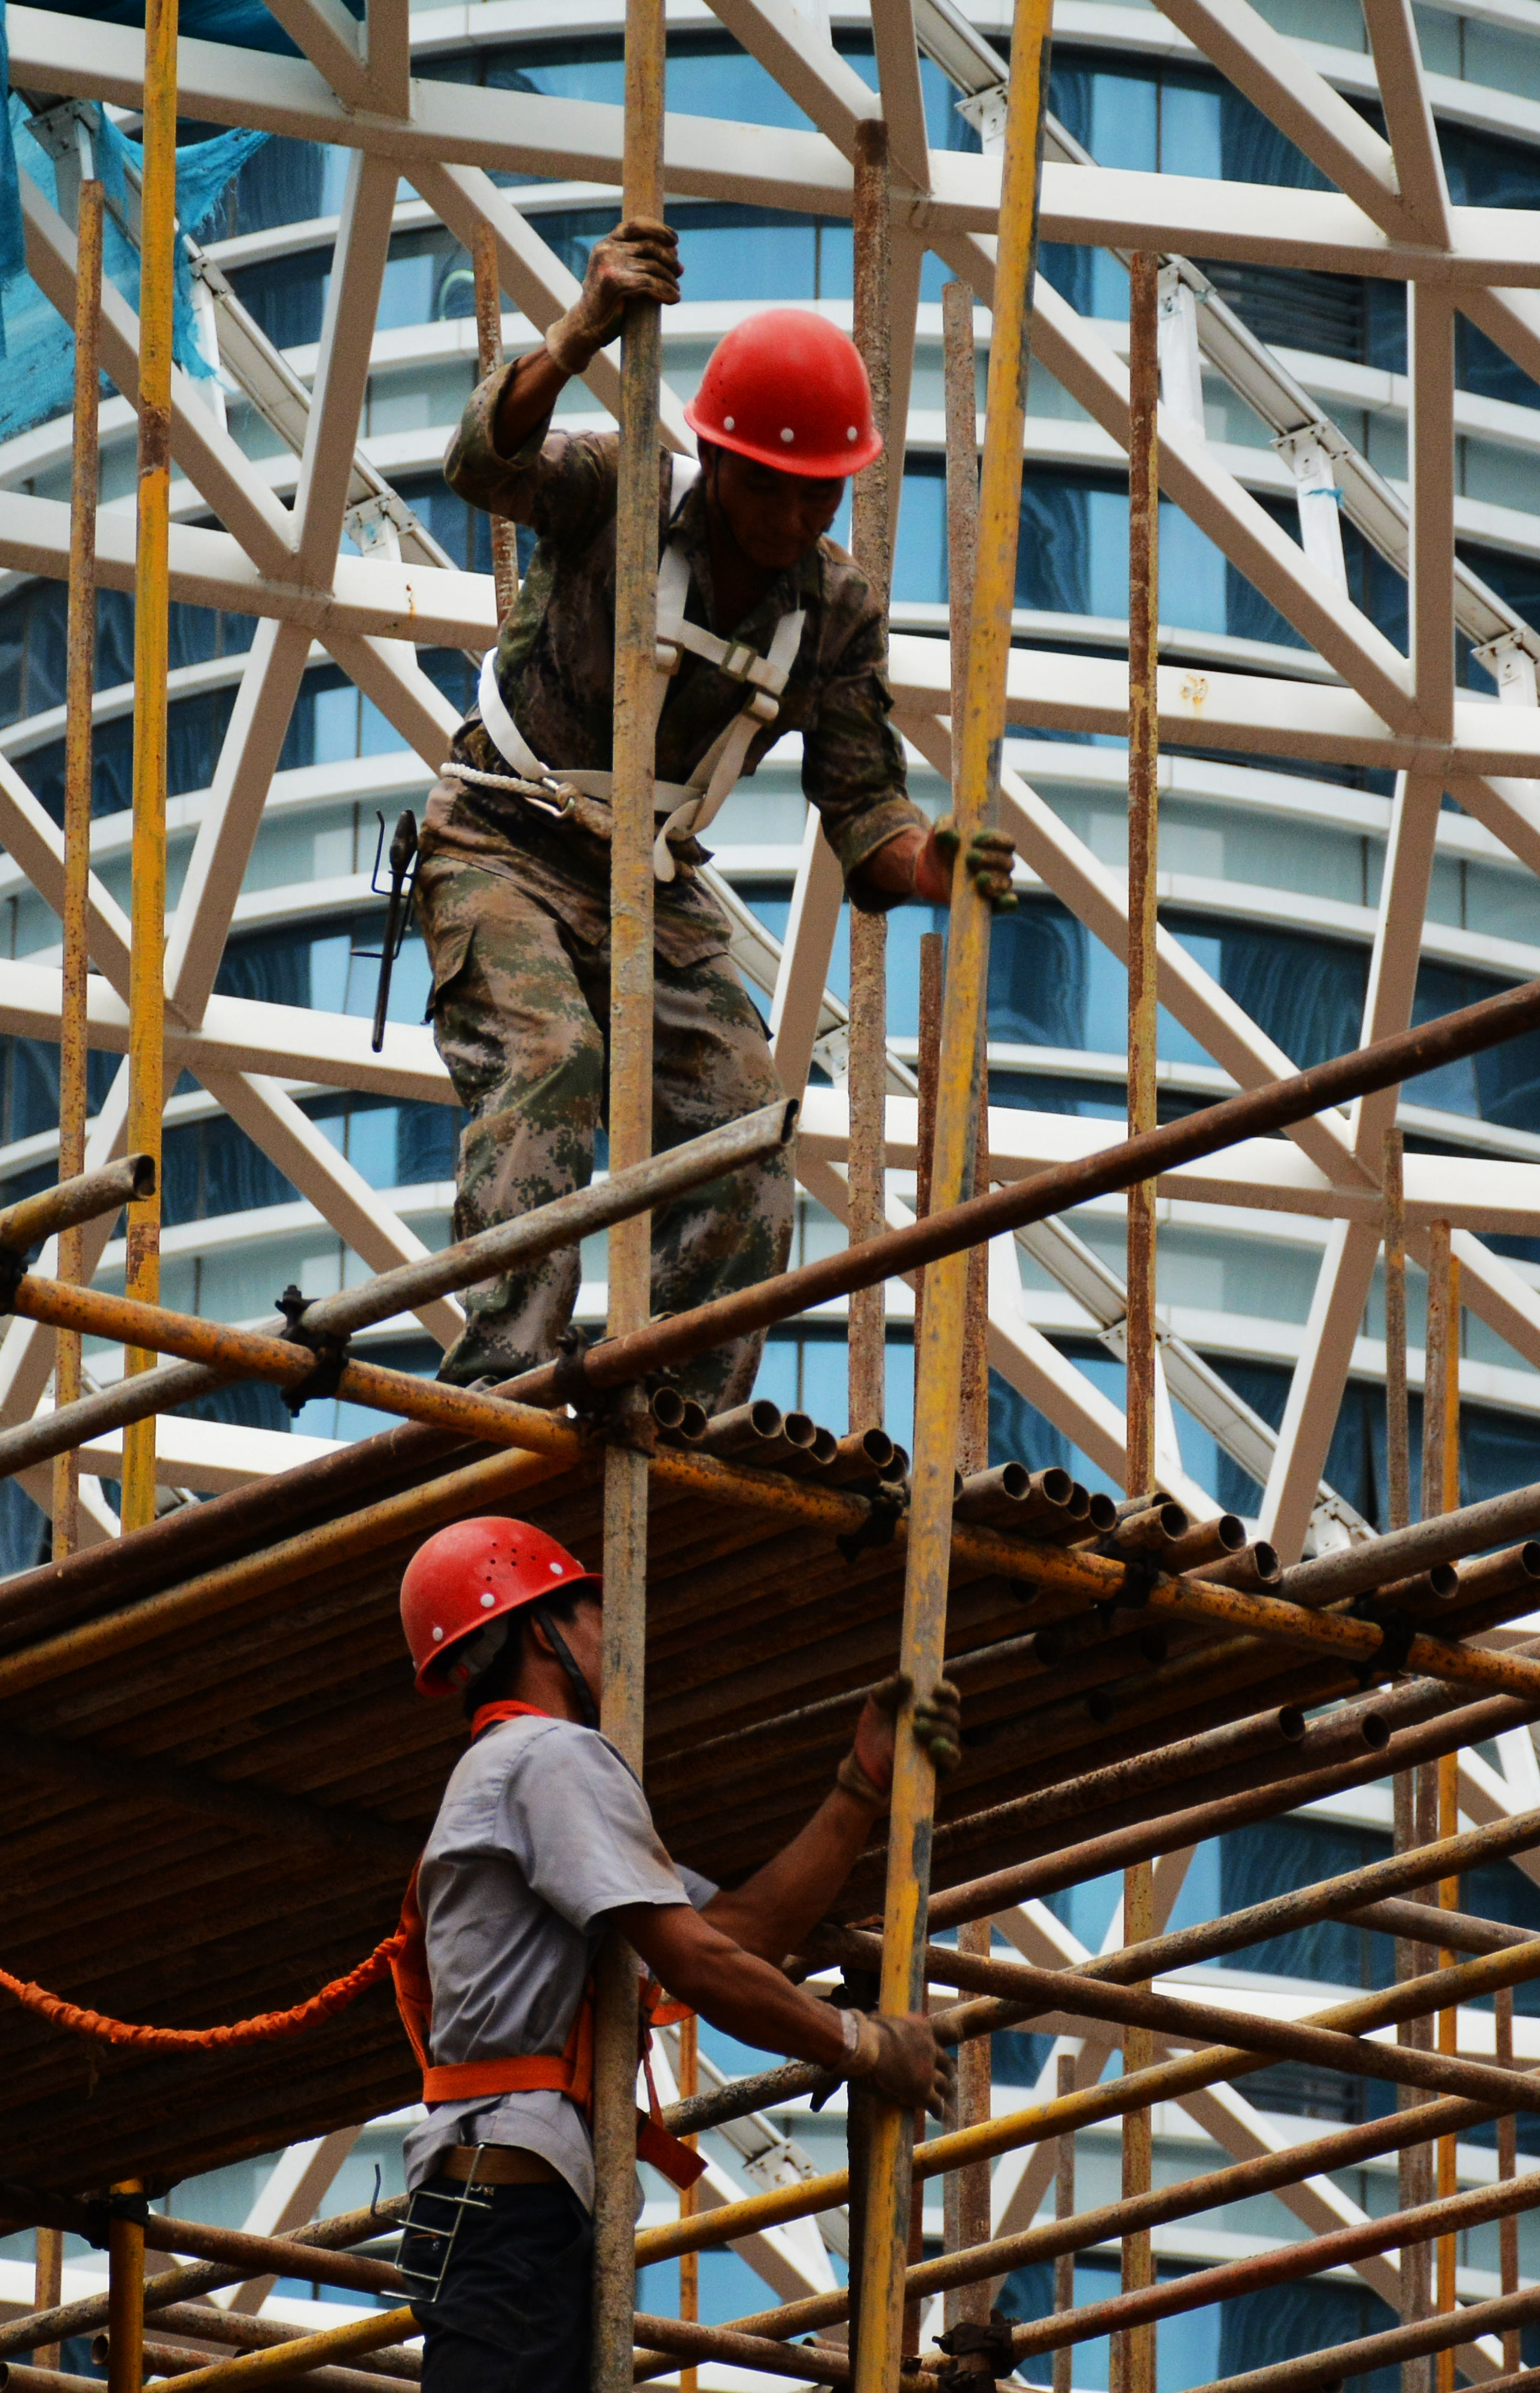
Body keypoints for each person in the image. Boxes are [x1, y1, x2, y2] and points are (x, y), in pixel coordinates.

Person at [424, 220, 1017, 1408]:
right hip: (506, 837)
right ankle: (507, 1383)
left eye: (821, 495)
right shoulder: (622, 491)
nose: (796, 520)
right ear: (716, 456)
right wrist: (578, 332)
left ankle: (681, 1402)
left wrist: (931, 862)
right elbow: (483, 469)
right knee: (549, 1067)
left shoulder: (834, 611)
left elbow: (861, 808)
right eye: (772, 488)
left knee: (745, 1138)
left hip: (649, 879)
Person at [390, 1517, 959, 2393]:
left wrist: (862, 1785)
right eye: (590, 1615)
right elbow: (699, 1964)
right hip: (507, 2202)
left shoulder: (525, 1771)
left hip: (506, 2199)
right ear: (538, 1629)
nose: (614, 1640)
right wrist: (867, 2045)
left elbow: (743, 1934)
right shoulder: (551, 1757)